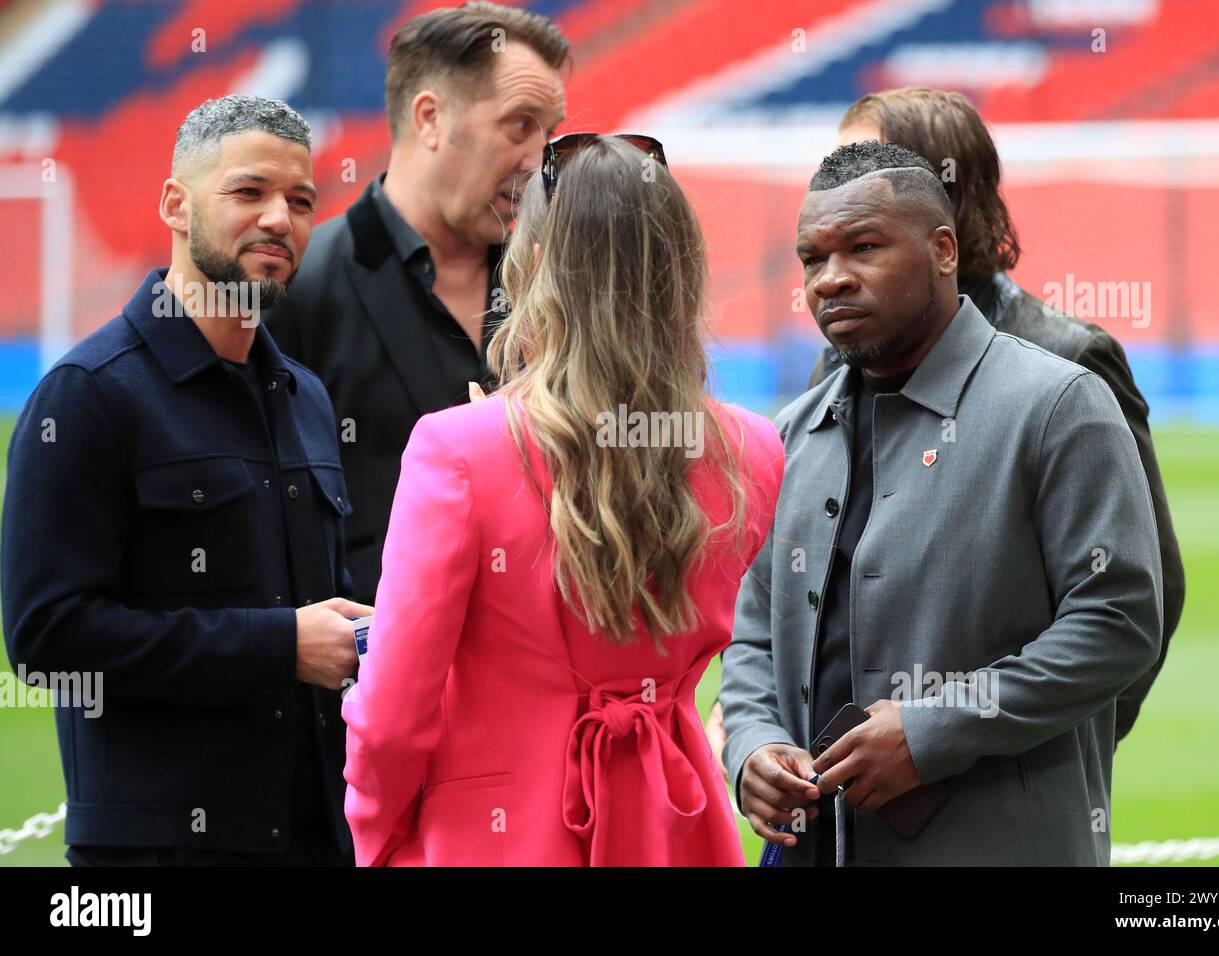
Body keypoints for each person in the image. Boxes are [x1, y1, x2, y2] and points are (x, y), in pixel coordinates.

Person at [341, 136, 785, 866]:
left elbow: (391, 719)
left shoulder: (456, 451)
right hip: (675, 835)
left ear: (538, 264)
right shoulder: (755, 451)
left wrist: (374, 833)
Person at [719, 140, 1162, 866]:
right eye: (812, 258)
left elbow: (1117, 622)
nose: (830, 280)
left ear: (944, 249)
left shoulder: (1057, 406)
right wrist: (752, 746)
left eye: (863, 247)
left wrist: (933, 731)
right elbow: (754, 637)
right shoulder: (789, 435)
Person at [1, 95, 372, 865]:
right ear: (175, 204)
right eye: (249, 192)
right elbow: (46, 640)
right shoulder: (87, 394)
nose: (280, 218)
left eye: (301, 201)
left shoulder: (305, 396)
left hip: (319, 844)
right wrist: (279, 644)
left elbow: (305, 618)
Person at [266, 2, 570, 605]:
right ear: (429, 117)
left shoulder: (561, 287)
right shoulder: (296, 290)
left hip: (532, 683)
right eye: (519, 125)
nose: (541, 162)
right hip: (359, 684)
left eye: (551, 133)